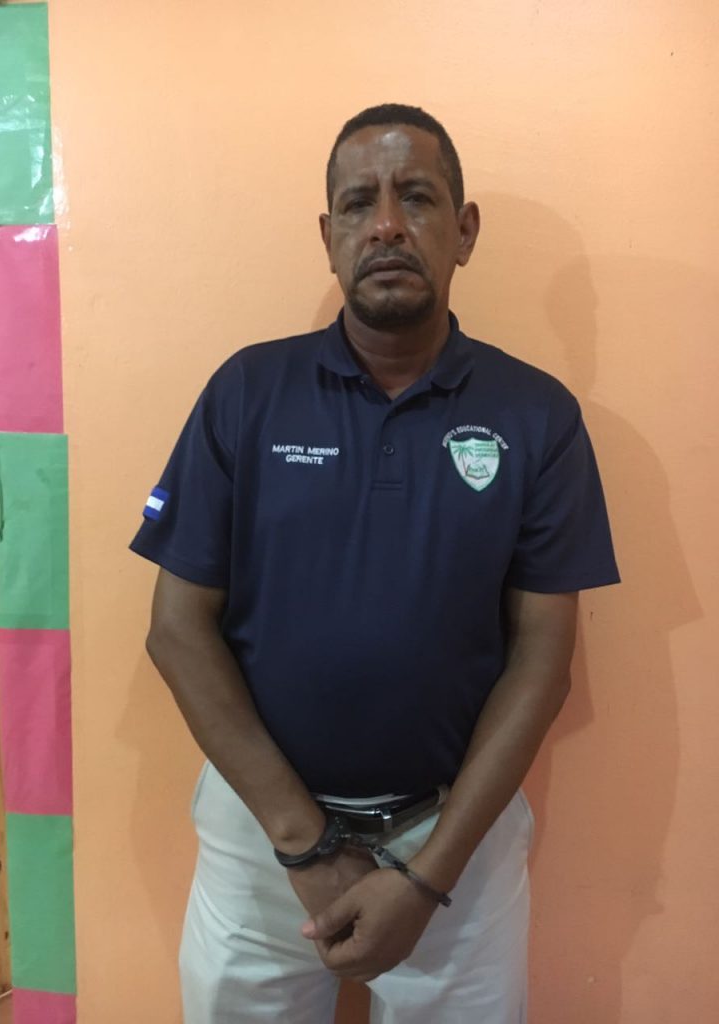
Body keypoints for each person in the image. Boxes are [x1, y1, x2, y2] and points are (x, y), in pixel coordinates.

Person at [130, 103, 620, 1023]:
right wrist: (304, 843)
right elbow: (176, 630)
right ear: (329, 237)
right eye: (358, 203)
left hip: (457, 847)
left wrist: (429, 876)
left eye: (417, 198)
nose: (386, 224)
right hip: (259, 844)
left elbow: (543, 659)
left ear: (464, 231)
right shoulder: (247, 393)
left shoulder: (537, 416)